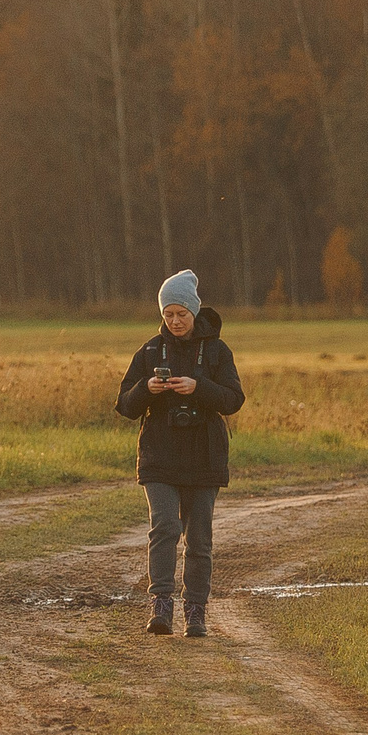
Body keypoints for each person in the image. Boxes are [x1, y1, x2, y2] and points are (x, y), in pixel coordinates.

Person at [115, 270, 246, 637]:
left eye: (181, 314)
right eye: (168, 314)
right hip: (159, 455)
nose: (174, 321)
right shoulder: (149, 351)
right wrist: (148, 388)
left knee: (199, 538)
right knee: (165, 527)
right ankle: (160, 604)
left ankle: (196, 611)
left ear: (194, 312)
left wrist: (198, 386)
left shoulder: (217, 351)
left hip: (204, 457)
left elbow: (234, 400)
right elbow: (124, 404)